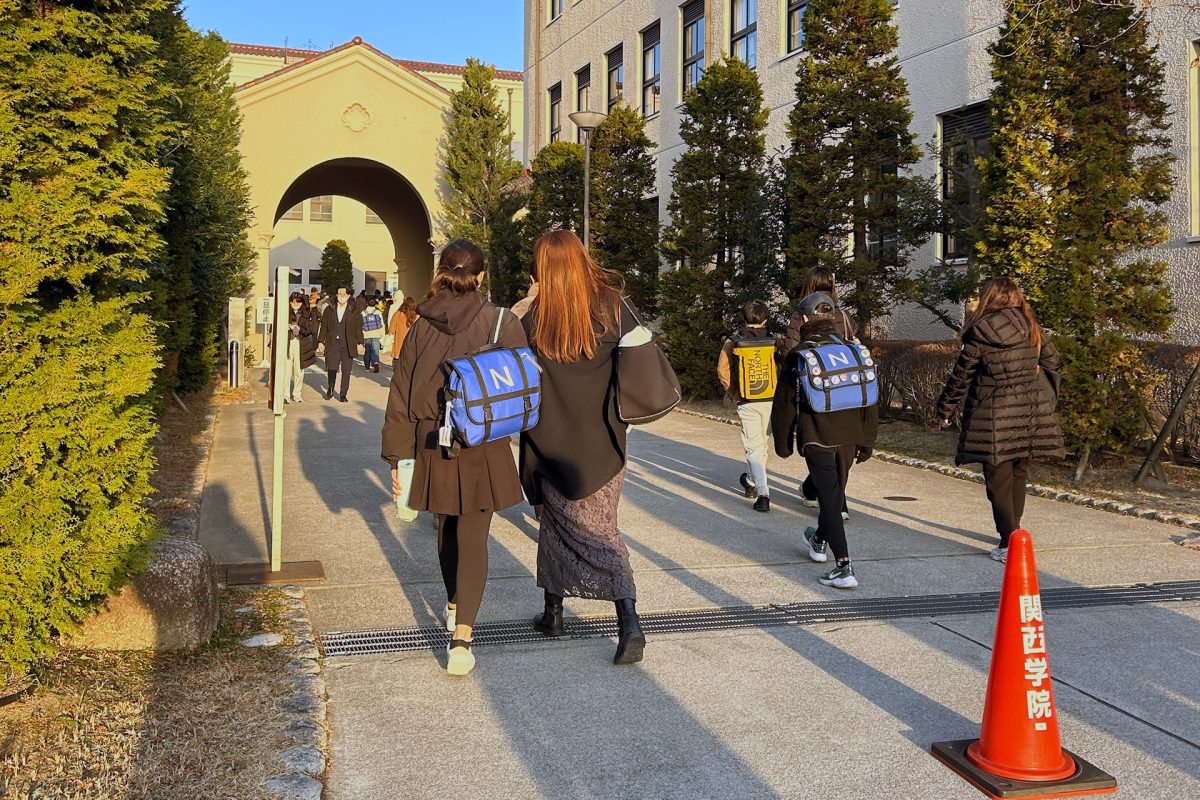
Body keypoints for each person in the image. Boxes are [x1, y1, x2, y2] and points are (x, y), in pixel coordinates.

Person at [381, 239, 528, 676]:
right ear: (480, 276)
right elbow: (523, 383)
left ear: (441, 272)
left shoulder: (420, 325)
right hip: (485, 441)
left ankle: (451, 602)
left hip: (433, 440)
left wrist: (398, 458)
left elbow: (401, 394)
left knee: (445, 527)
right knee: (474, 536)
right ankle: (462, 639)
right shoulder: (501, 322)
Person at [518, 229, 646, 665]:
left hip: (548, 441)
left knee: (567, 526)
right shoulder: (612, 305)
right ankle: (570, 613)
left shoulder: (533, 317)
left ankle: (619, 619)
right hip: (604, 439)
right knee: (599, 526)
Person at [936, 277, 1065, 564]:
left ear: (989, 298)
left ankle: (1008, 542)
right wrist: (1043, 394)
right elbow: (1053, 362)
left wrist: (945, 409)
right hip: (1030, 412)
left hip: (993, 415)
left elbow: (962, 375)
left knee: (997, 481)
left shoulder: (980, 330)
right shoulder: (1031, 325)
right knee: (1018, 472)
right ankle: (1013, 534)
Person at [772, 292, 878, 589]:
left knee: (830, 499)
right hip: (851, 435)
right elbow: (869, 397)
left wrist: (783, 444)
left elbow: (784, 404)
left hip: (817, 433)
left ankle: (843, 566)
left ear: (805, 318)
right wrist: (867, 440)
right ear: (832, 317)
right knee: (833, 495)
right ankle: (818, 540)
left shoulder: (800, 354)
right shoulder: (853, 350)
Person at [779, 267, 855, 521]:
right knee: (840, 445)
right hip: (844, 386)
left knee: (819, 445)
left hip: (813, 388)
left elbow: (791, 352)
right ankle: (832, 500)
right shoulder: (842, 315)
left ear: (808, 286)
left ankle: (827, 498)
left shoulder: (801, 315)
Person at [716, 300, 776, 512]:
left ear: (744, 318)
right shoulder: (773, 341)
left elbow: (723, 371)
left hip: (747, 400)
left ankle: (762, 493)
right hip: (770, 398)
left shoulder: (733, 341)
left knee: (754, 447)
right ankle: (752, 482)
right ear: (765, 319)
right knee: (763, 445)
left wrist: (735, 394)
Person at [318, 286, 364, 402]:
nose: (341, 297)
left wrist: (360, 343)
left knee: (346, 370)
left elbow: (358, 328)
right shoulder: (329, 309)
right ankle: (331, 387)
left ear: (348, 296)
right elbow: (324, 326)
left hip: (348, 344)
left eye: (344, 294)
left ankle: (343, 394)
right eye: (339, 294)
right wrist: (321, 341)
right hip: (333, 343)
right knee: (332, 367)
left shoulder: (354, 310)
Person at [285, 292, 317, 402]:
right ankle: (285, 394)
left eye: (298, 301)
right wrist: (287, 327)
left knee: (299, 370)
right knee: (287, 370)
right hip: (288, 343)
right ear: (290, 302)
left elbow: (309, 330)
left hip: (300, 343)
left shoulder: (306, 314)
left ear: (302, 303)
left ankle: (297, 394)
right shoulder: (285, 313)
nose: (295, 304)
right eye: (293, 301)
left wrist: (299, 329)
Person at [388, 295, 418, 361]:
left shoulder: (398, 314)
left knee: (398, 363)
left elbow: (391, 330)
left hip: (399, 345)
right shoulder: (416, 316)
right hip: (412, 345)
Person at [361, 299, 385, 373]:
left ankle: (367, 367)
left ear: (367, 304)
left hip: (366, 334)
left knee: (367, 350)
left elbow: (361, 324)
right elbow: (382, 324)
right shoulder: (378, 312)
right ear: (375, 304)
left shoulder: (363, 313)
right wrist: (383, 334)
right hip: (376, 333)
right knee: (375, 350)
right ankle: (375, 363)